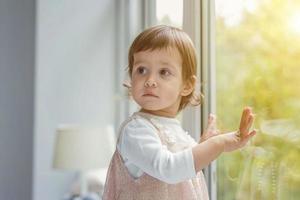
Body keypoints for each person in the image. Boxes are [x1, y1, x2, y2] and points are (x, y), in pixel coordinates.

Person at [102, 25, 256, 200]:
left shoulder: (172, 128)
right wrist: (217, 144)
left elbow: (185, 170)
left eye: (164, 72)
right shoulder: (135, 130)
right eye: (141, 70)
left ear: (187, 85)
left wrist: (203, 144)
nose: (150, 81)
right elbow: (169, 169)